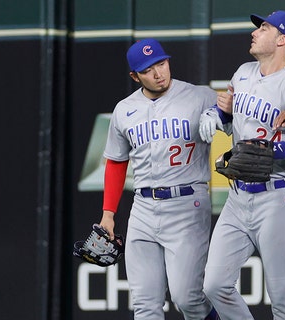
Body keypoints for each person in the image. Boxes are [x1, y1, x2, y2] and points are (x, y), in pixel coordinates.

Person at [198, 10, 285, 320]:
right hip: (238, 196)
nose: (255, 31)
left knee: (283, 299)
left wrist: (275, 149)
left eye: (265, 27)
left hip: (278, 195)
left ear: (282, 39)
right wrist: (215, 116)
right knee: (214, 285)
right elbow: (230, 113)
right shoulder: (243, 72)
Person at [98, 38, 219, 320]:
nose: (158, 73)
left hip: (188, 203)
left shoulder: (200, 96)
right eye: (148, 69)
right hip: (143, 208)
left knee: (187, 298)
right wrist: (108, 214)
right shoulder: (124, 110)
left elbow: (243, 117)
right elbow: (116, 162)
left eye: (161, 63)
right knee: (144, 305)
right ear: (134, 76)